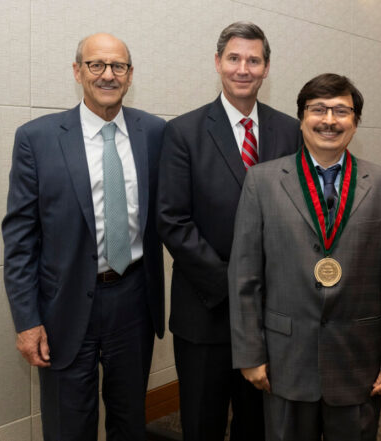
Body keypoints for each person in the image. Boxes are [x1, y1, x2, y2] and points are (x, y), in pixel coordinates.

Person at [228, 73, 381, 441]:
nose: (329, 120)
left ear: (355, 122)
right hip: (285, 359)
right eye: (318, 110)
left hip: (357, 360)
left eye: (341, 111)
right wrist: (250, 353)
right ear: (301, 118)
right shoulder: (262, 181)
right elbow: (244, 275)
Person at [2, 33, 165, 440]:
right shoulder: (36, 138)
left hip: (133, 301)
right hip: (63, 307)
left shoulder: (157, 133)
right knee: (68, 425)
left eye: (118, 66)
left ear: (130, 76)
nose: (107, 75)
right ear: (78, 71)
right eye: (96, 65)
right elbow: (20, 238)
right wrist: (27, 320)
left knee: (130, 422)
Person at [156, 21, 301, 441]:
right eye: (234, 58)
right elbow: (172, 220)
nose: (243, 68)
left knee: (259, 426)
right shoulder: (182, 132)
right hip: (205, 311)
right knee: (202, 424)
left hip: (271, 315)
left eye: (253, 60)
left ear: (267, 68)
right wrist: (235, 287)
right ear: (218, 63)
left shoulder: (289, 131)